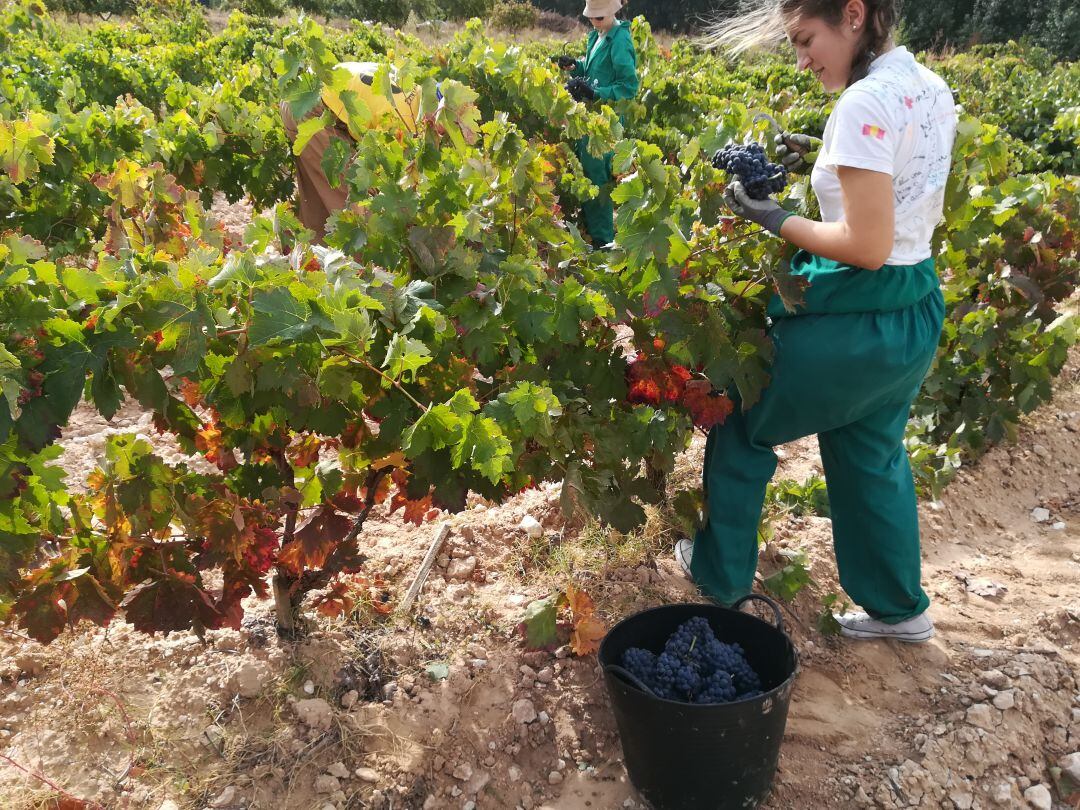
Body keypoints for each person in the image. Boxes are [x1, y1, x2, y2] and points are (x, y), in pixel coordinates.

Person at [677, 0, 958, 642]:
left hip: (859, 313)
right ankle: (899, 611)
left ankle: (718, 579)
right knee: (870, 451)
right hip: (913, 309)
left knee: (743, 416)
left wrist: (773, 216)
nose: (802, 59)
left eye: (806, 40)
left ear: (853, 15)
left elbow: (866, 246)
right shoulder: (925, 85)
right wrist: (822, 169)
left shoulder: (861, 107)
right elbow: (901, 189)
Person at [280, 62, 420, 241]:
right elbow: (375, 168)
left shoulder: (413, 91)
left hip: (301, 97)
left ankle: (312, 258)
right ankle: (362, 266)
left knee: (320, 201)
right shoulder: (404, 119)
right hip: (312, 109)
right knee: (355, 206)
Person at [552, 0, 640, 248]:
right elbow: (593, 69)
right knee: (588, 175)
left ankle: (603, 243)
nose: (594, 21)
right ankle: (595, 234)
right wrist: (574, 66)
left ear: (613, 11)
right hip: (589, 120)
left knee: (596, 180)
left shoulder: (620, 40)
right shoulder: (598, 36)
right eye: (592, 17)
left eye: (599, 18)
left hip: (605, 123)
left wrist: (595, 92)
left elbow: (628, 87)